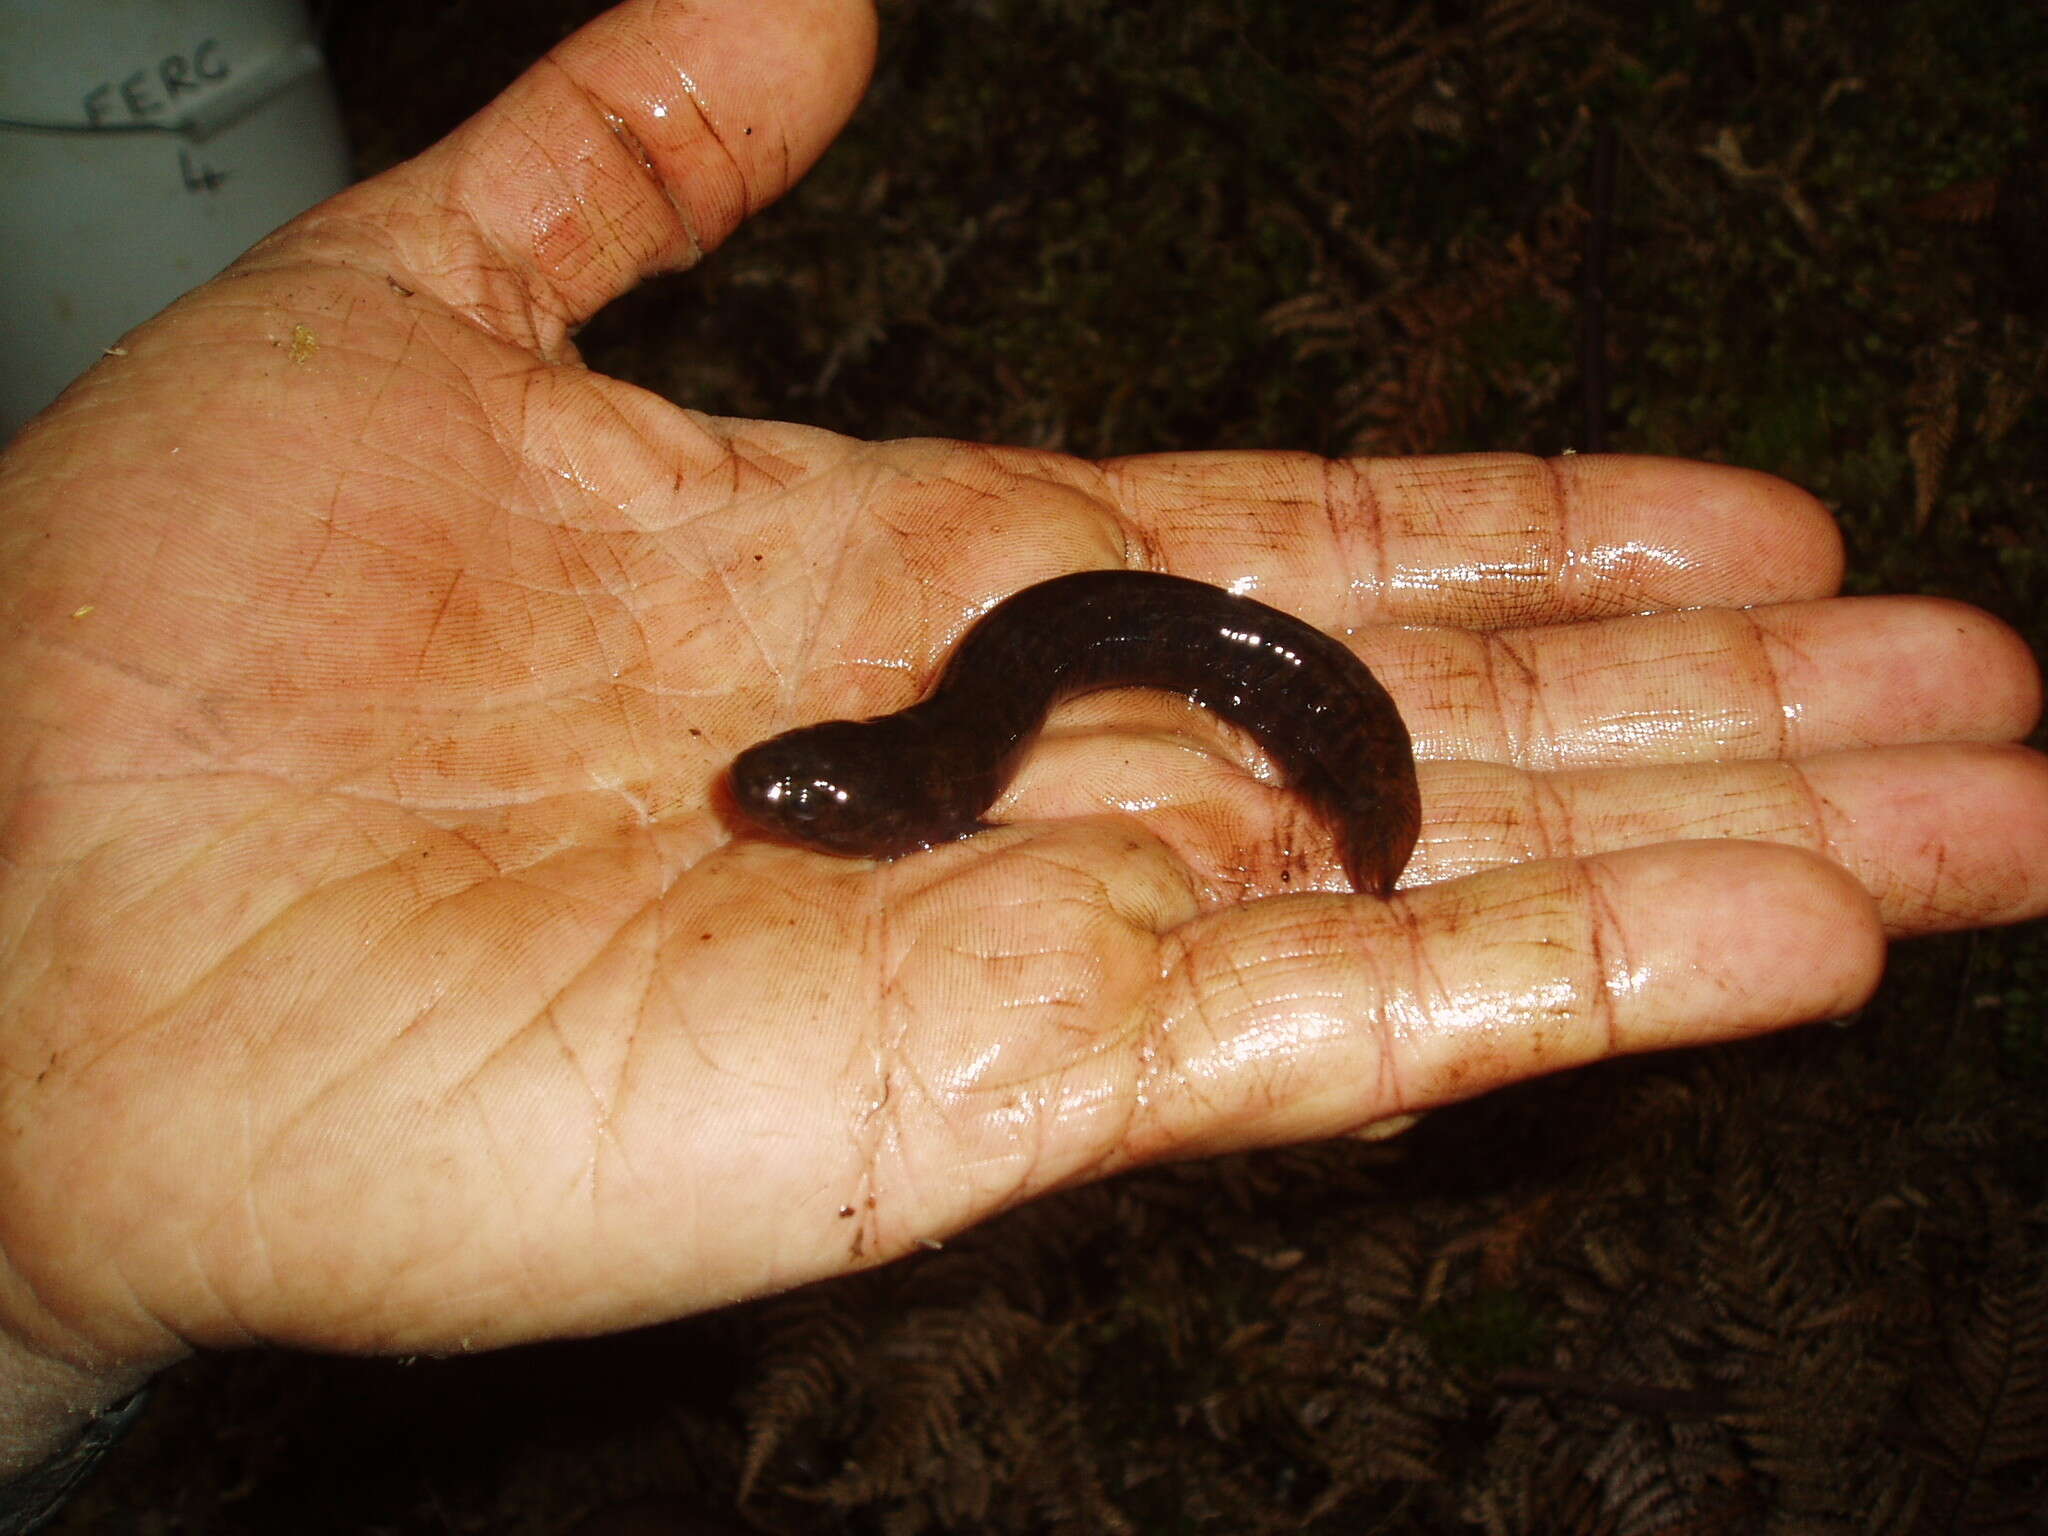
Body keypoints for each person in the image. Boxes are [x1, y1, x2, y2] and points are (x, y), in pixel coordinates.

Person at [1, 0, 2043, 1513]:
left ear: (889, 788)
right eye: (810, 791)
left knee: (1257, 679)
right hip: (1073, 685)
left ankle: (1367, 805)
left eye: (812, 792)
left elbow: (1190, 662)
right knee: (1179, 661)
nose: (781, 797)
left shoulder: (978, 728)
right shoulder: (911, 751)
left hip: (1195, 686)